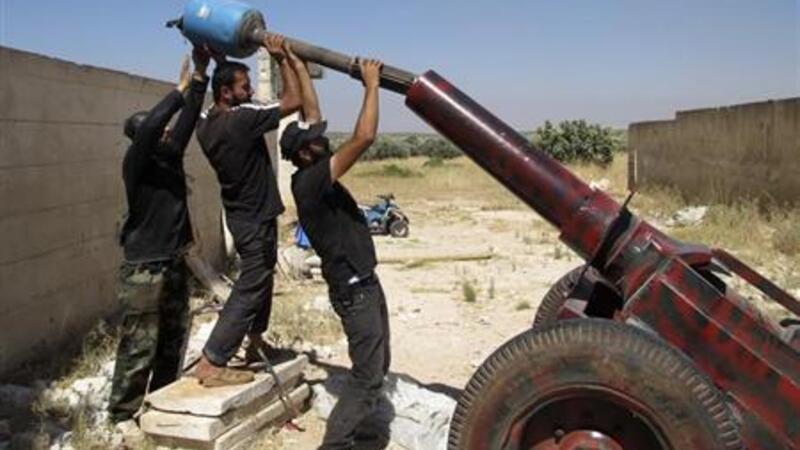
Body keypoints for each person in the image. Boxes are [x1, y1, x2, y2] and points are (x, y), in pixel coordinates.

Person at [282, 50, 390, 450]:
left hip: (364, 282)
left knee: (379, 364)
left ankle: (362, 430)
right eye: (317, 141)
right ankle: (336, 445)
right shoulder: (311, 182)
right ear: (305, 153)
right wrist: (372, 85)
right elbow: (364, 138)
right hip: (354, 289)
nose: (323, 139)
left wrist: (294, 62)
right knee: (367, 375)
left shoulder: (311, 165)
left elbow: (311, 113)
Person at [108, 47, 211, 425]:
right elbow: (154, 125)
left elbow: (187, 119)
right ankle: (121, 417)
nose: (169, 132)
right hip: (144, 271)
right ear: (143, 140)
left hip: (172, 263)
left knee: (173, 338)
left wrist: (199, 75)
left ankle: (161, 403)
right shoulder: (136, 164)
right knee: (139, 347)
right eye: (161, 132)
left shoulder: (169, 157)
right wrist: (177, 90)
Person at [194, 34, 302, 386]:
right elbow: (294, 100)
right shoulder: (242, 119)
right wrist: (281, 58)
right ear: (227, 93)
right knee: (252, 283)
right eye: (245, 86)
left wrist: (215, 62)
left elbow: (217, 91)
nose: (251, 90)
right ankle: (212, 360)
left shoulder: (206, 123)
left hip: (244, 215)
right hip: (255, 219)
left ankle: (255, 343)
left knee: (262, 278)